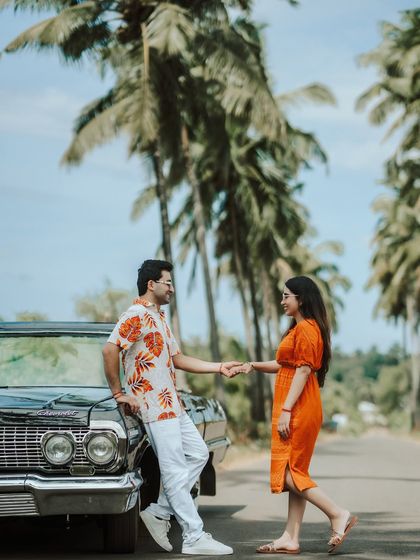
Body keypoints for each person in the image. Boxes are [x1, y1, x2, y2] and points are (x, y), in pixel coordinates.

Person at [103, 259, 238, 556]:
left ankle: (160, 511)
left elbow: (177, 358)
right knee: (175, 470)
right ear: (151, 284)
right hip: (152, 404)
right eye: (168, 282)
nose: (172, 288)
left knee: (200, 454)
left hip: (172, 403)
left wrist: (219, 368)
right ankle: (194, 536)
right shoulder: (135, 315)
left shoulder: (159, 318)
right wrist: (119, 393)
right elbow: (110, 348)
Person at [228, 276, 357, 555]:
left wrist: (286, 409)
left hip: (298, 407)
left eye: (287, 296)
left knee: (289, 475)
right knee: (295, 471)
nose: (282, 301)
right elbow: (284, 364)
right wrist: (250, 366)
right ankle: (290, 537)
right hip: (294, 405)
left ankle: (337, 514)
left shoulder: (308, 330)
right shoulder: (298, 330)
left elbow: (303, 370)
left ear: (302, 299)